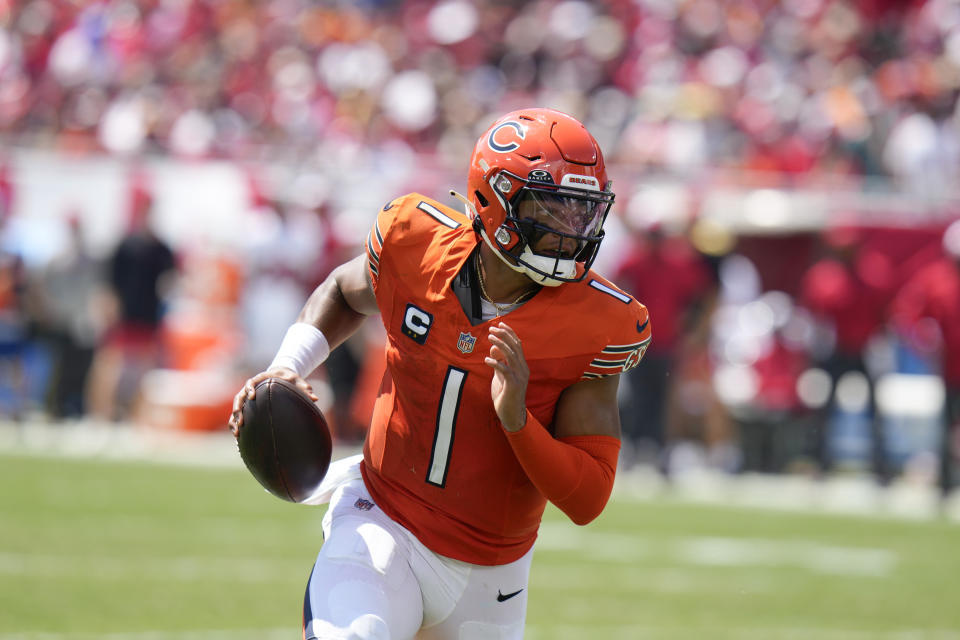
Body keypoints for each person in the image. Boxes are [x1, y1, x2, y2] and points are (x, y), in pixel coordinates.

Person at [229, 108, 651, 638]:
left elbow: (588, 499)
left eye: (583, 212)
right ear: (494, 199)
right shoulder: (416, 242)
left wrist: (518, 421)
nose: (572, 232)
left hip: (490, 574)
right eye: (553, 210)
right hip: (382, 519)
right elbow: (343, 289)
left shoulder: (599, 323)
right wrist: (287, 367)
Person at [889, 219, 960, 497]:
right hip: (950, 367)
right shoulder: (935, 279)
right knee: (946, 425)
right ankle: (945, 482)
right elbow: (907, 314)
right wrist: (924, 341)